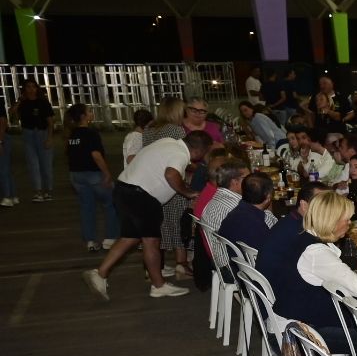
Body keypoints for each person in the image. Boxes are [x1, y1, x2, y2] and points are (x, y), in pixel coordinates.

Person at [261, 190, 357, 354]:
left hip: (294, 324)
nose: (349, 224)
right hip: (293, 336)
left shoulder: (305, 237)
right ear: (332, 221)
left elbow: (337, 279)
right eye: (346, 220)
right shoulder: (315, 252)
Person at [82, 131, 209, 301]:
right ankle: (159, 285)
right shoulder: (180, 155)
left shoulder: (168, 141)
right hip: (142, 197)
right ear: (199, 150)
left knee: (130, 237)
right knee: (151, 241)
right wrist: (190, 193)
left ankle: (100, 274)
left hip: (124, 190)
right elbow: (171, 174)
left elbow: (163, 167)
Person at [65, 103, 118, 251]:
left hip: (76, 175)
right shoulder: (91, 133)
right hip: (93, 174)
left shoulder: (71, 134)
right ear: (83, 116)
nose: (92, 113)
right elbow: (96, 155)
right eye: (89, 111)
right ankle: (110, 238)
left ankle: (90, 241)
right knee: (110, 204)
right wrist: (107, 173)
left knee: (86, 208)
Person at [11, 78, 55, 202]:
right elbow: (13, 114)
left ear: (37, 88)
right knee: (33, 164)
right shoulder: (23, 103)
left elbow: (50, 122)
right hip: (28, 134)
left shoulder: (43, 102)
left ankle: (48, 190)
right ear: (24, 89)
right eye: (28, 87)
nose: (31, 89)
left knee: (46, 164)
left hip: (42, 132)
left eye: (33, 86)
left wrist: (50, 138)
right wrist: (19, 101)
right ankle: (38, 191)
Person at [220, 173, 276, 251]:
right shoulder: (257, 226)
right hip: (254, 262)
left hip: (235, 260)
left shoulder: (233, 214)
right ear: (268, 197)